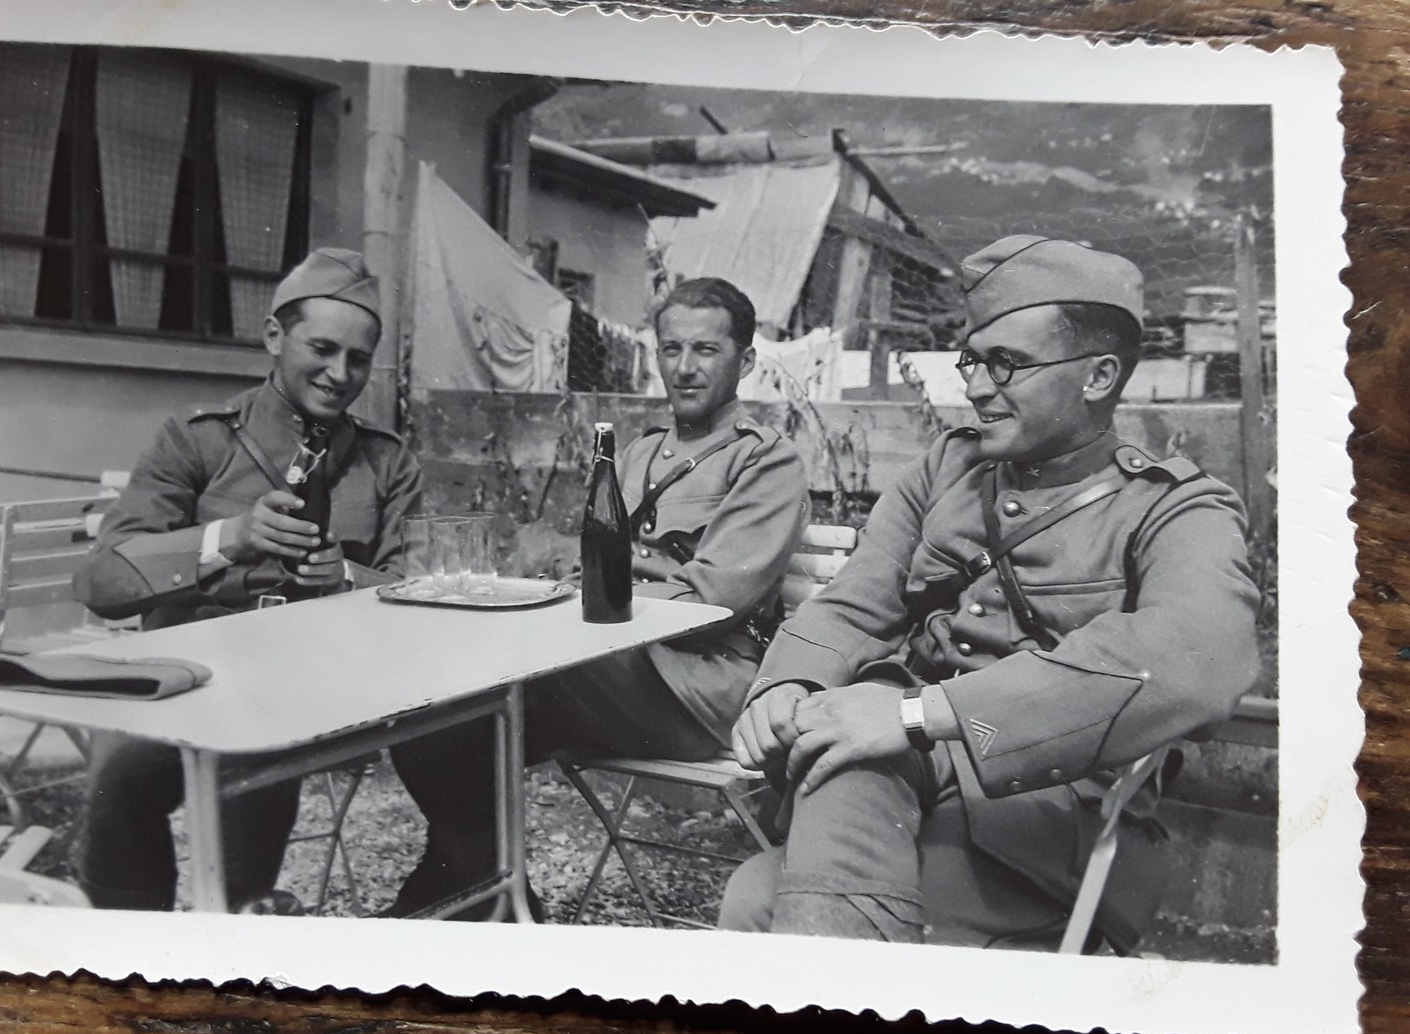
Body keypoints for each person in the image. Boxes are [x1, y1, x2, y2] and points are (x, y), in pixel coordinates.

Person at [718, 236, 1261, 952]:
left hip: (1049, 822)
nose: (974, 386)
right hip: (903, 779)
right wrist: (785, 684)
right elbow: (855, 601)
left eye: (1007, 363)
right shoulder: (947, 469)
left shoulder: (1174, 508)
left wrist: (917, 714)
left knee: (763, 901)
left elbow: (1198, 662)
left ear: (1099, 375)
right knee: (803, 821)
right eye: (973, 359)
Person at [386, 277, 810, 918]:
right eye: (671, 350)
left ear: (745, 361)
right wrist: (632, 573)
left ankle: (469, 900)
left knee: (491, 692)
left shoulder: (765, 463)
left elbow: (710, 603)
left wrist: (619, 567)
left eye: (706, 350)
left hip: (702, 685)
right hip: (613, 663)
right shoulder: (636, 454)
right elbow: (583, 567)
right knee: (428, 707)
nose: (685, 368)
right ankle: (487, 891)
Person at [72, 248, 423, 912]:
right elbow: (101, 579)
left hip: (319, 682)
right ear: (273, 337)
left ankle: (237, 924)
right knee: (116, 782)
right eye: (322, 348)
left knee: (250, 745)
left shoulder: (385, 463)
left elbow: (415, 586)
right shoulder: (198, 440)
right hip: (187, 672)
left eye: (358, 359)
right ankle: (127, 952)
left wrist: (346, 577)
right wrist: (228, 539)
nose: (339, 373)